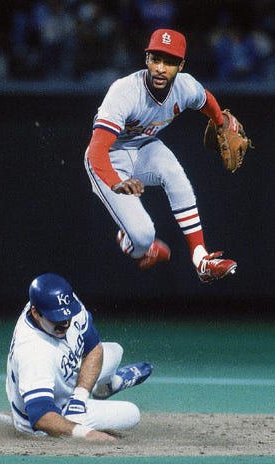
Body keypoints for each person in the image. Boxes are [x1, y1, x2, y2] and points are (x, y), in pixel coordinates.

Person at [84, 28, 238, 283]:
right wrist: (115, 182)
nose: (160, 68)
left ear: (181, 65)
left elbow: (206, 100)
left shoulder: (186, 87)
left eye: (169, 62)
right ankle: (134, 242)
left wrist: (220, 121)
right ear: (146, 60)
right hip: (108, 160)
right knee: (143, 238)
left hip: (144, 146)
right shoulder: (124, 92)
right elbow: (98, 149)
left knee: (174, 173)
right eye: (156, 59)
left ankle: (200, 259)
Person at [6, 273, 153, 441]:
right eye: (57, 318)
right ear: (35, 313)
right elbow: (42, 418)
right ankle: (87, 403)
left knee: (114, 351)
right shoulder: (33, 352)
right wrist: (87, 434)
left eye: (67, 315)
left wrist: (80, 397)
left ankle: (107, 386)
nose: (65, 322)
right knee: (131, 413)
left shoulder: (65, 303)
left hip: (65, 380)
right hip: (51, 418)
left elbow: (94, 348)